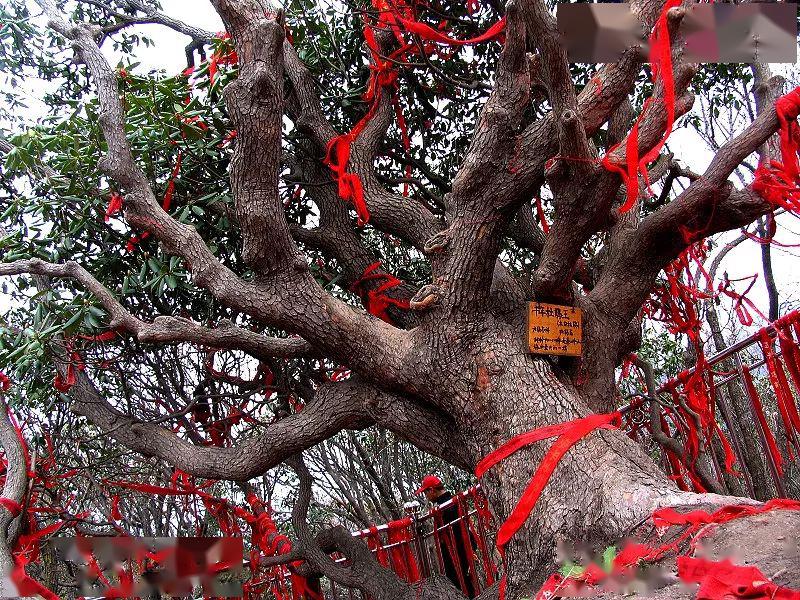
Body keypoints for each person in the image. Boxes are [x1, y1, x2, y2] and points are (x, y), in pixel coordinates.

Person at [415, 475, 477, 598]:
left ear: (432, 490)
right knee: (462, 581)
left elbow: (457, 531)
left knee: (459, 582)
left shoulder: (447, 506)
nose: (426, 497)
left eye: (426, 493)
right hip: (458, 550)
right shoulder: (448, 503)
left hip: (456, 552)